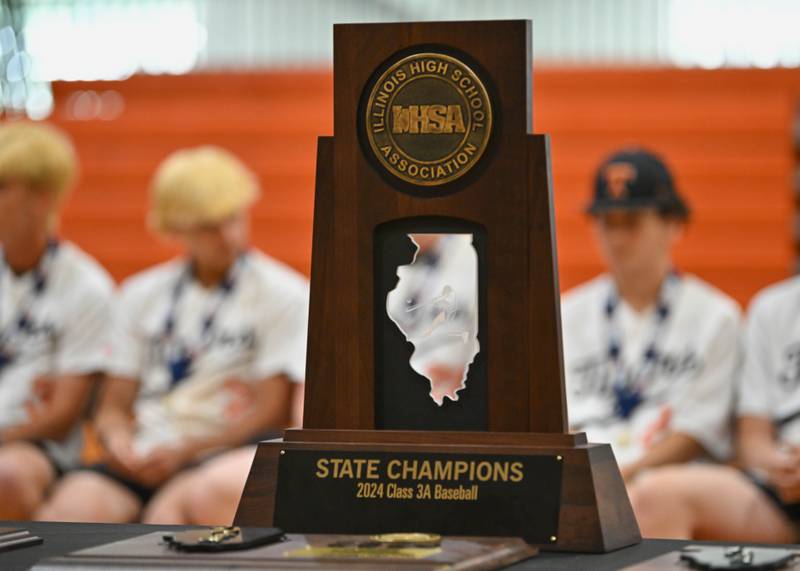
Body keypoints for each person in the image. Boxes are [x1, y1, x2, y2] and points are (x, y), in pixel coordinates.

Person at [38, 146, 309, 523]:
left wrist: (185, 452)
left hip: (219, 450)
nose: (227, 235)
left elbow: (272, 412)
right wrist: (118, 442)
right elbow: (113, 405)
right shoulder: (141, 293)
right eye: (208, 226)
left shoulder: (285, 293)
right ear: (177, 229)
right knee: (70, 510)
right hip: (146, 450)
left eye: (232, 218)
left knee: (169, 518)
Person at [561, 148, 741, 485]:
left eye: (631, 222)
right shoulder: (565, 314)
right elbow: (555, 422)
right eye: (606, 222)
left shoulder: (718, 317)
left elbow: (699, 431)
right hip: (579, 482)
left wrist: (627, 476)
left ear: (673, 224)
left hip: (674, 486)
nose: (616, 237)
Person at [629, 276, 800, 542]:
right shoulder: (773, 307)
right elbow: (753, 437)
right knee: (655, 494)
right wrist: (778, 465)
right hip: (782, 486)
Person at [0, 121, 114, 519]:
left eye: (3, 187)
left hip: (35, 447)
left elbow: (62, 416)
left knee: (7, 476)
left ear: (42, 199)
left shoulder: (86, 287)